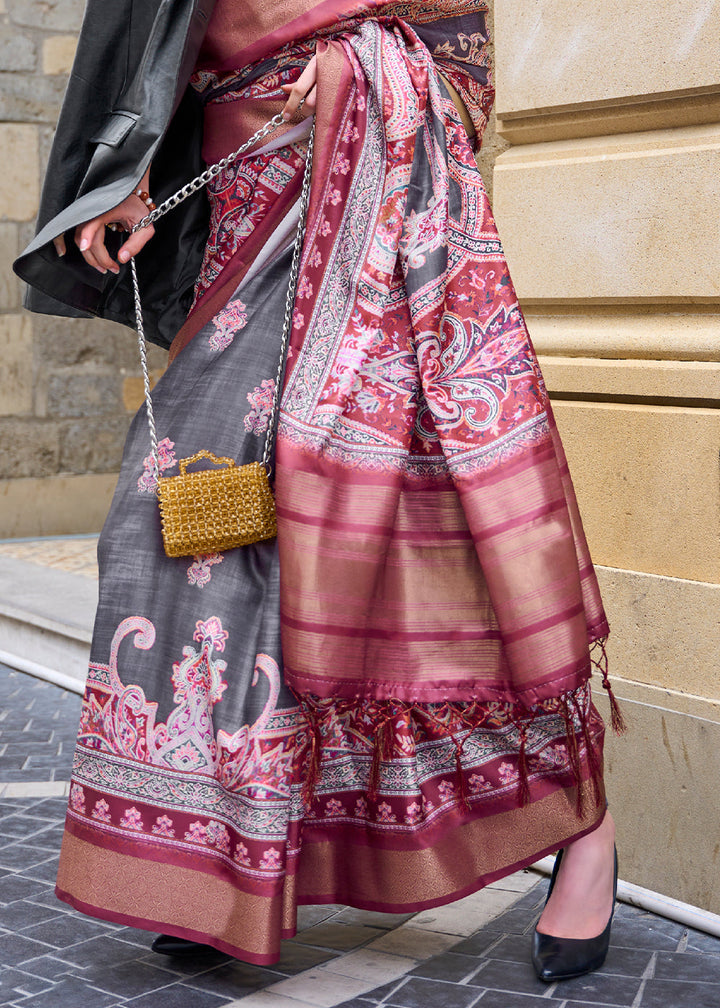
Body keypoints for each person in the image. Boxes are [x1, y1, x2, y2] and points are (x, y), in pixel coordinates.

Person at [14, 0, 622, 981]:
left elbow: (464, 43)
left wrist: (364, 72)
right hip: (241, 197)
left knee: (425, 538)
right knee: (175, 523)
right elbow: (139, 33)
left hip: (375, 189)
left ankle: (581, 830)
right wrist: (122, 174)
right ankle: (223, 852)